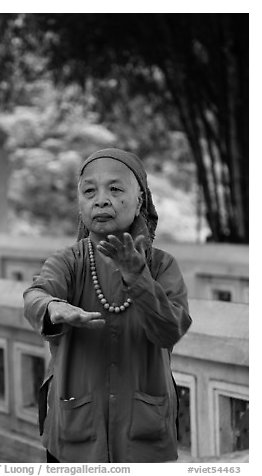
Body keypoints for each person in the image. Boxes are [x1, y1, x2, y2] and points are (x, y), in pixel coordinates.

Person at [23, 148, 192, 463]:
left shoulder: (161, 266)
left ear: (140, 199)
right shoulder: (68, 262)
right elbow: (36, 294)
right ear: (80, 203)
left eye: (115, 189)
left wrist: (137, 276)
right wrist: (53, 308)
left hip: (144, 438)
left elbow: (170, 330)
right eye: (90, 191)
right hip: (75, 435)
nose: (101, 199)